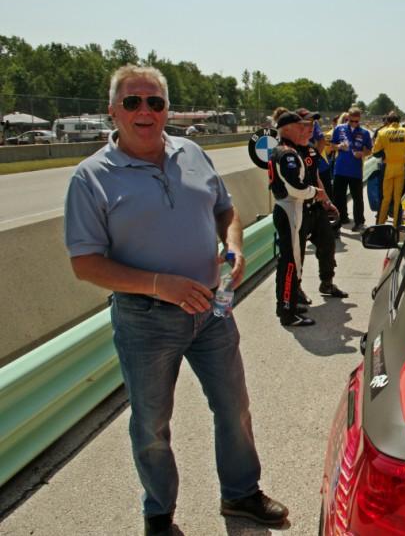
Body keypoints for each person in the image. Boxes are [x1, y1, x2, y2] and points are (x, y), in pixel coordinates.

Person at [63, 65, 287, 536]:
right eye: (132, 102)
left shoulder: (192, 153)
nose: (145, 111)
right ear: (113, 111)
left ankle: (241, 494)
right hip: (145, 319)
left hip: (212, 309)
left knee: (234, 407)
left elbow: (225, 210)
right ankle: (159, 515)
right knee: (151, 424)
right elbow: (85, 264)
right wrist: (159, 284)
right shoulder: (90, 178)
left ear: (167, 110)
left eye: (155, 102)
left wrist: (236, 246)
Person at [270, 108, 327, 327]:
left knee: (291, 260)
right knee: (291, 263)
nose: (306, 130)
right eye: (301, 126)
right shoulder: (288, 153)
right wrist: (315, 192)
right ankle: (288, 311)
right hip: (289, 209)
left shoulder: (286, 150)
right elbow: (296, 187)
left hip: (290, 209)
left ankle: (287, 303)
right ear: (289, 129)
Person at [291, 109, 348, 299]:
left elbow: (316, 177)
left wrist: (327, 201)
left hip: (316, 207)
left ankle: (327, 283)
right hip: (296, 209)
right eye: (307, 124)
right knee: (295, 253)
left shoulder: (311, 150)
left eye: (313, 124)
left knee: (328, 244)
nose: (312, 128)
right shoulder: (287, 150)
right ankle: (295, 289)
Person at [373, 111, 405, 226]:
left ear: (388, 121)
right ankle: (396, 225)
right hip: (402, 167)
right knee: (399, 198)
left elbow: (376, 153)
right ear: (399, 121)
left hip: (387, 167)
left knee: (385, 198)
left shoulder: (382, 133)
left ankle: (380, 223)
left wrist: (385, 155)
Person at [330, 107, 372, 232]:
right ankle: (338, 222)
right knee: (338, 197)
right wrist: (339, 146)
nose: (354, 123)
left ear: (359, 120)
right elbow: (332, 145)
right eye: (351, 121)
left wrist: (362, 154)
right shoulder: (339, 129)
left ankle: (359, 222)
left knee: (357, 198)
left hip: (355, 171)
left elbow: (370, 150)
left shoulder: (364, 133)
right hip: (340, 169)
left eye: (356, 121)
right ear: (347, 118)